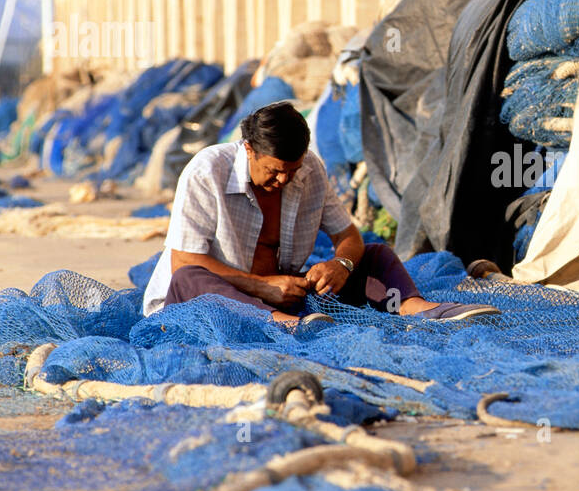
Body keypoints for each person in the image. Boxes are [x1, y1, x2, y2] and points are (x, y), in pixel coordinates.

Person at [141, 101, 499, 324]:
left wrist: (339, 266)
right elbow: (184, 261)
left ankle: (417, 307)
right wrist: (263, 287)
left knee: (374, 254)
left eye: (291, 171)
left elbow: (348, 237)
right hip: (216, 301)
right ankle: (286, 326)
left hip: (290, 294)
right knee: (190, 277)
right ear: (249, 150)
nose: (283, 179)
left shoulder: (309, 169)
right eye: (274, 170)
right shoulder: (207, 171)